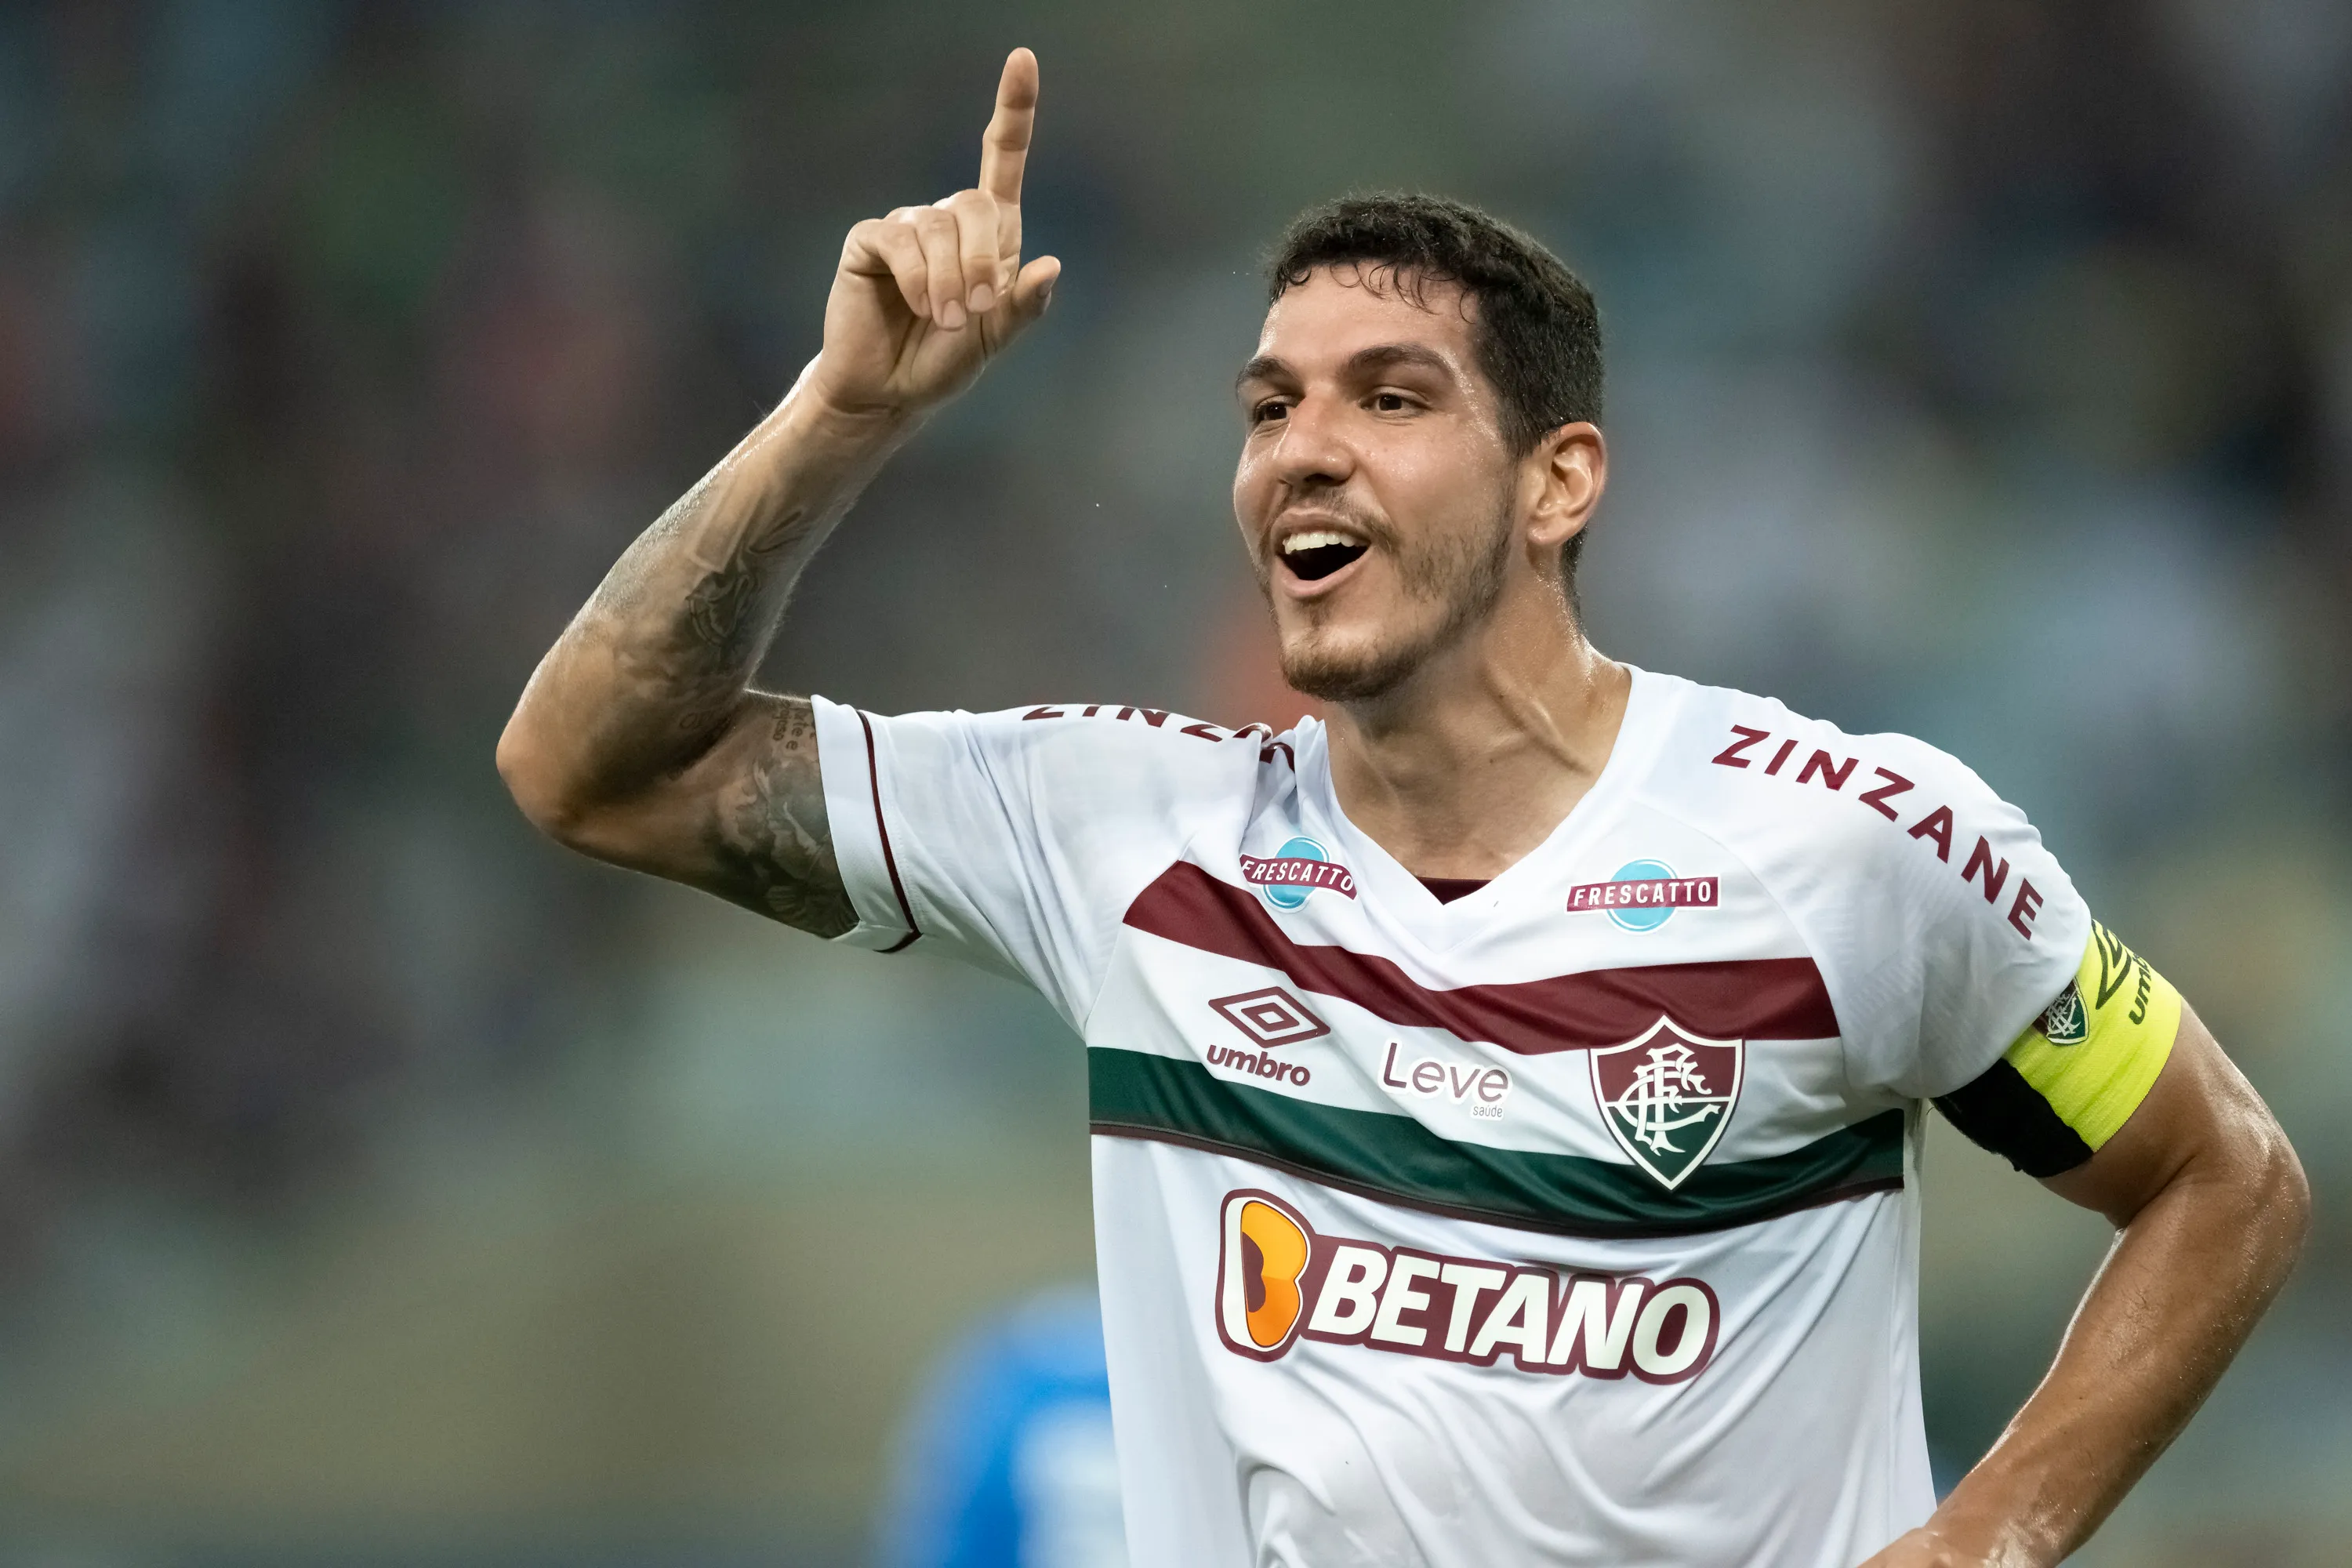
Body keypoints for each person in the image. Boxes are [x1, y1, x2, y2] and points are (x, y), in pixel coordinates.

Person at [495, 48, 2309, 1568]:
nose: (1303, 444)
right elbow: (593, 766)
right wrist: (841, 410)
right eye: (1269, 404)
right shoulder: (1126, 832)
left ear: (1557, 482)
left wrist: (1985, 1538)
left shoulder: (1852, 845)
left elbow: (2223, 1178)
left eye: (1390, 395)